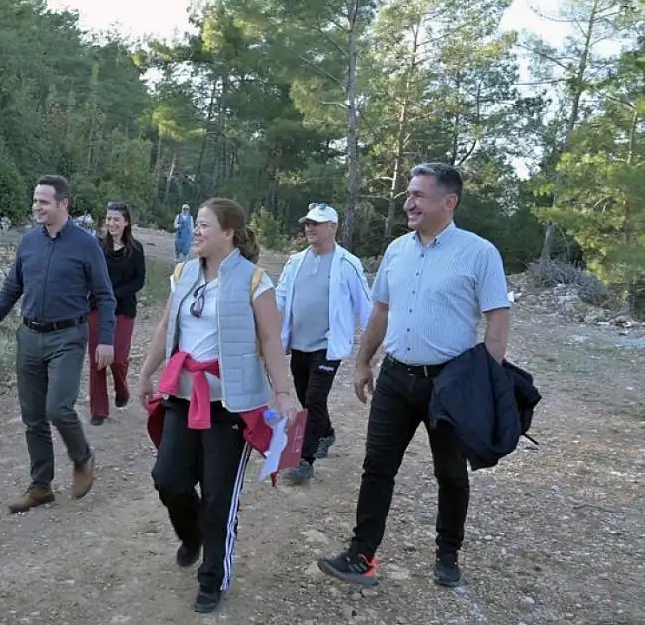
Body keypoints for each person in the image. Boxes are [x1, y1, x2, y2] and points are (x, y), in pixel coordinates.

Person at [317, 163, 511, 589]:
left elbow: (498, 320)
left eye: (419, 195)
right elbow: (381, 311)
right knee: (377, 467)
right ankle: (361, 554)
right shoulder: (397, 250)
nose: (408, 202)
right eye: (408, 193)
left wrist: (484, 384)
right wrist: (364, 360)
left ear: (449, 202)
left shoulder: (480, 253)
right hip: (395, 377)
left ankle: (447, 552)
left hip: (450, 386)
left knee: (450, 473)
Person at [136, 198, 299, 614]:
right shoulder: (183, 273)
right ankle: (191, 535)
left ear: (228, 232)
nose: (197, 232)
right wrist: (146, 373)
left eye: (205, 226)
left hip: (231, 405)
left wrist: (283, 393)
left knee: (218, 496)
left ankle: (212, 577)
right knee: (168, 478)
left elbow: (269, 340)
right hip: (182, 397)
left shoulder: (253, 281)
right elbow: (164, 327)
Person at [0, 174, 116, 514]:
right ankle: (40, 486)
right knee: (32, 417)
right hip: (29, 336)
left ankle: (82, 456)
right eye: (35, 200)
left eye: (43, 201)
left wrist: (107, 340)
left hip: (68, 337)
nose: (36, 207)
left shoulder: (86, 245)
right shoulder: (29, 242)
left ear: (63, 204)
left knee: (58, 408)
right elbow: (12, 287)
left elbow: (104, 296)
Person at [274, 203, 371, 484]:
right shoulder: (295, 262)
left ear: (333, 227)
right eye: (307, 223)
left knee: (314, 399)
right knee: (307, 398)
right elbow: (278, 298)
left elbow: (367, 307)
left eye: (316, 223)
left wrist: (372, 349)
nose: (309, 228)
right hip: (299, 344)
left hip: (327, 346)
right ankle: (325, 433)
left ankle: (303, 459)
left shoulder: (348, 264)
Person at [88, 201, 145, 425]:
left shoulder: (136, 249)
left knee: (118, 358)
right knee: (97, 360)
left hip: (123, 310)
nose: (111, 223)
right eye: (108, 219)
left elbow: (139, 281)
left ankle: (122, 390)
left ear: (126, 222)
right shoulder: (97, 247)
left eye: (116, 219)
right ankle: (98, 410)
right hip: (96, 309)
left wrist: (113, 294)